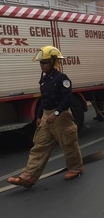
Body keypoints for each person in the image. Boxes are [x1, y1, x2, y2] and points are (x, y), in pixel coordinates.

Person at [7, 46, 83, 188]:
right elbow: (44, 99)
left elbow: (67, 99)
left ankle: (75, 168)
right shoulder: (44, 79)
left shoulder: (62, 79)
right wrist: (39, 115)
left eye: (45, 62)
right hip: (47, 116)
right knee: (39, 146)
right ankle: (28, 177)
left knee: (68, 144)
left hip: (61, 116)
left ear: (54, 62)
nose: (41, 65)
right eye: (41, 62)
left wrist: (55, 114)